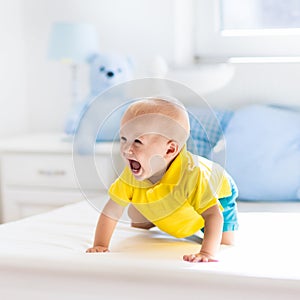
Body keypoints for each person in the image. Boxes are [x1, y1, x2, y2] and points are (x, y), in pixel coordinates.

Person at [86, 97, 239, 263]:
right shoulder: (133, 172)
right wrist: (100, 245)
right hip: (171, 199)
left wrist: (207, 253)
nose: (126, 149)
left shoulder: (193, 175)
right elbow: (111, 211)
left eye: (137, 141)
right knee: (138, 219)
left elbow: (213, 215)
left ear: (170, 149)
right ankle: (150, 217)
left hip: (219, 197)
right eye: (123, 139)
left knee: (224, 242)